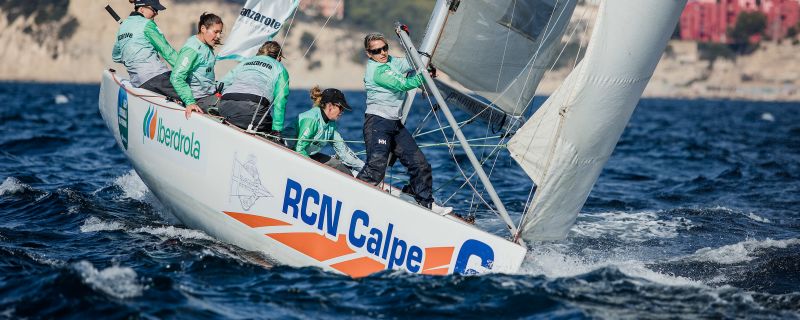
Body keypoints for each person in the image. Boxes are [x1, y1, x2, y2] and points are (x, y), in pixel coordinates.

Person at [356, 33, 450, 214]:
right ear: (369, 54)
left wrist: (426, 59)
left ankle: (423, 202)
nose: (382, 53)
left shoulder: (390, 61)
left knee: (421, 165)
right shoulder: (376, 71)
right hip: (378, 123)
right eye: (376, 51)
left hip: (395, 125)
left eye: (384, 48)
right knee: (376, 168)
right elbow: (405, 84)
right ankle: (353, 197)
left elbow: (411, 63)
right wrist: (426, 74)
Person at [217, 41, 289, 138]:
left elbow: (222, 83)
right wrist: (277, 130)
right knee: (269, 128)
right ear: (279, 58)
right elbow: (280, 101)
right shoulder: (280, 68)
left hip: (224, 106)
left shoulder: (245, 62)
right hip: (253, 111)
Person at [112, 0, 179, 98]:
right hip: (157, 77)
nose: (156, 13)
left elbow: (116, 56)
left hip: (138, 82)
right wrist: (186, 69)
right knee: (194, 92)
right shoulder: (148, 24)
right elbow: (167, 52)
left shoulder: (123, 27)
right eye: (154, 9)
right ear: (142, 9)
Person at [291, 87, 364, 175]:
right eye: (341, 108)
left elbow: (344, 152)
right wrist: (315, 171)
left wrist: (366, 169)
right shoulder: (311, 119)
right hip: (291, 153)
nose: (342, 112)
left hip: (308, 155)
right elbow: (299, 150)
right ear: (330, 106)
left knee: (340, 166)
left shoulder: (331, 124)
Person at [171, 13, 224, 119]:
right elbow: (176, 77)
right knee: (231, 107)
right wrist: (190, 102)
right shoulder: (192, 49)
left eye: (220, 32)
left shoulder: (206, 45)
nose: (218, 36)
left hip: (209, 95)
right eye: (215, 32)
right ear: (203, 28)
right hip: (198, 99)